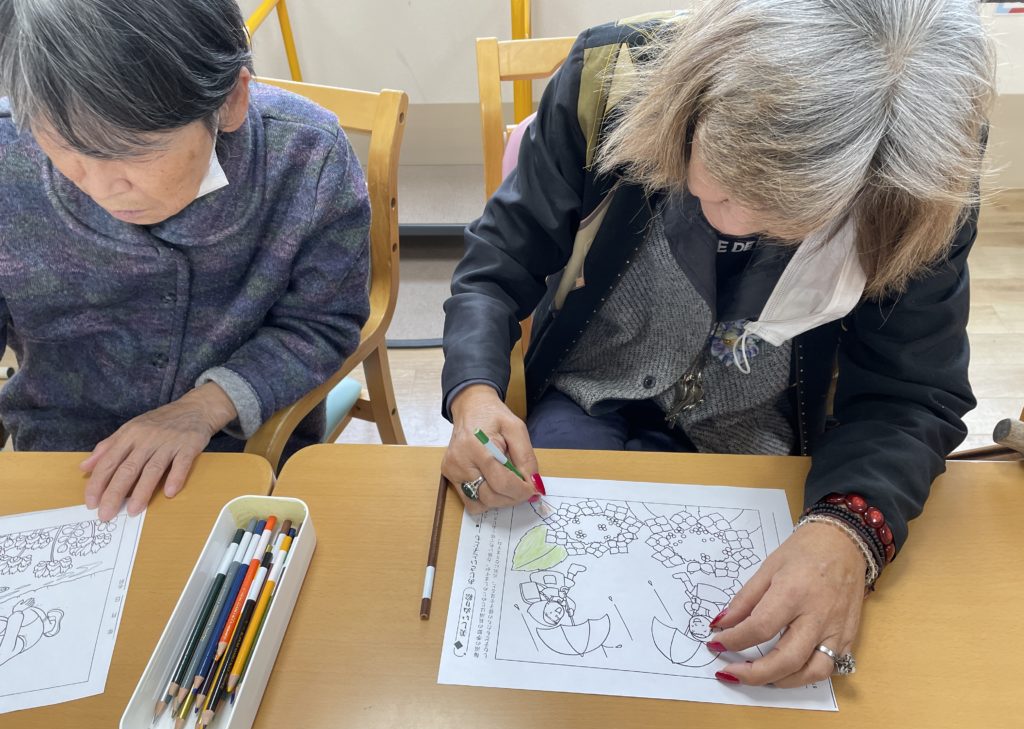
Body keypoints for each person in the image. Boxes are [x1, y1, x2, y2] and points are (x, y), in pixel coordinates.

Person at [441, 1, 994, 687]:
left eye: (782, 214)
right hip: (588, 392)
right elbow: (498, 261)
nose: (726, 219)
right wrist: (473, 392)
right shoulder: (610, 79)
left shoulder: (921, 173)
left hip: (764, 436)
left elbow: (908, 394)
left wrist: (851, 530)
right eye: (713, 180)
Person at [0, 0, 370, 520]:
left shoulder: (306, 157)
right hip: (61, 459)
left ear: (231, 100)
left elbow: (322, 323)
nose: (101, 187)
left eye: (134, 150)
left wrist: (203, 407)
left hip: (240, 451)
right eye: (63, 149)